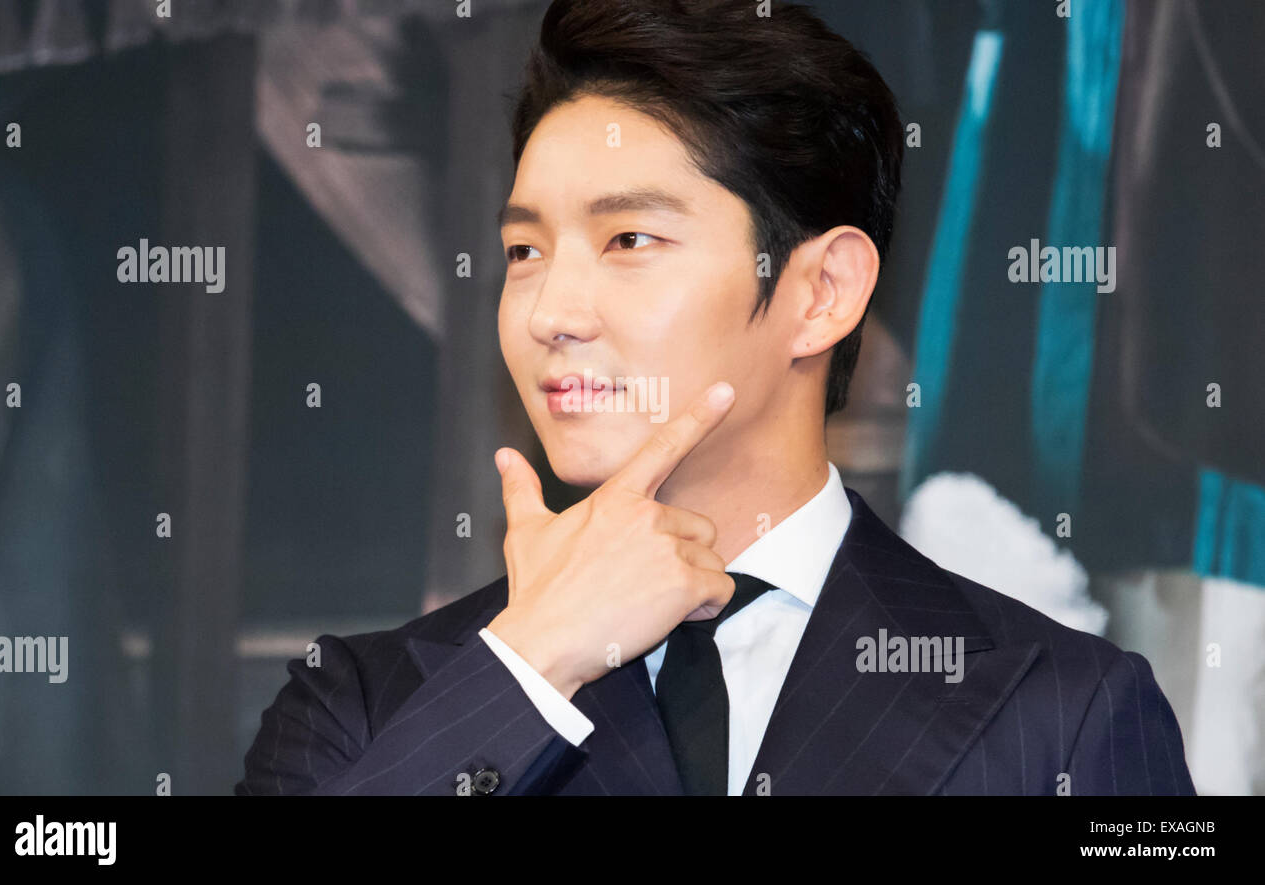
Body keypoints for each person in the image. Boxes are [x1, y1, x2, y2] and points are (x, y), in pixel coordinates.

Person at [236, 0, 1195, 796]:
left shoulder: (1066, 711)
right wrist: (530, 667)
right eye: (524, 251)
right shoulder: (358, 704)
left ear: (822, 293)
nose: (548, 313)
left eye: (629, 242)